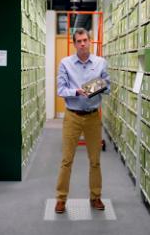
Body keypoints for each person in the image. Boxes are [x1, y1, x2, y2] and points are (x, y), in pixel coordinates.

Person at [54, 28, 110, 213]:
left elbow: (108, 87)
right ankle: (61, 199)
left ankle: (96, 197)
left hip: (93, 116)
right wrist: (76, 92)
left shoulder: (101, 63)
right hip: (73, 116)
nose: (83, 44)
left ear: (90, 41)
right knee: (66, 159)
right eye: (79, 41)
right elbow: (60, 90)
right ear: (74, 43)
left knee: (95, 160)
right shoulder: (65, 63)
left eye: (85, 40)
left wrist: (96, 87)